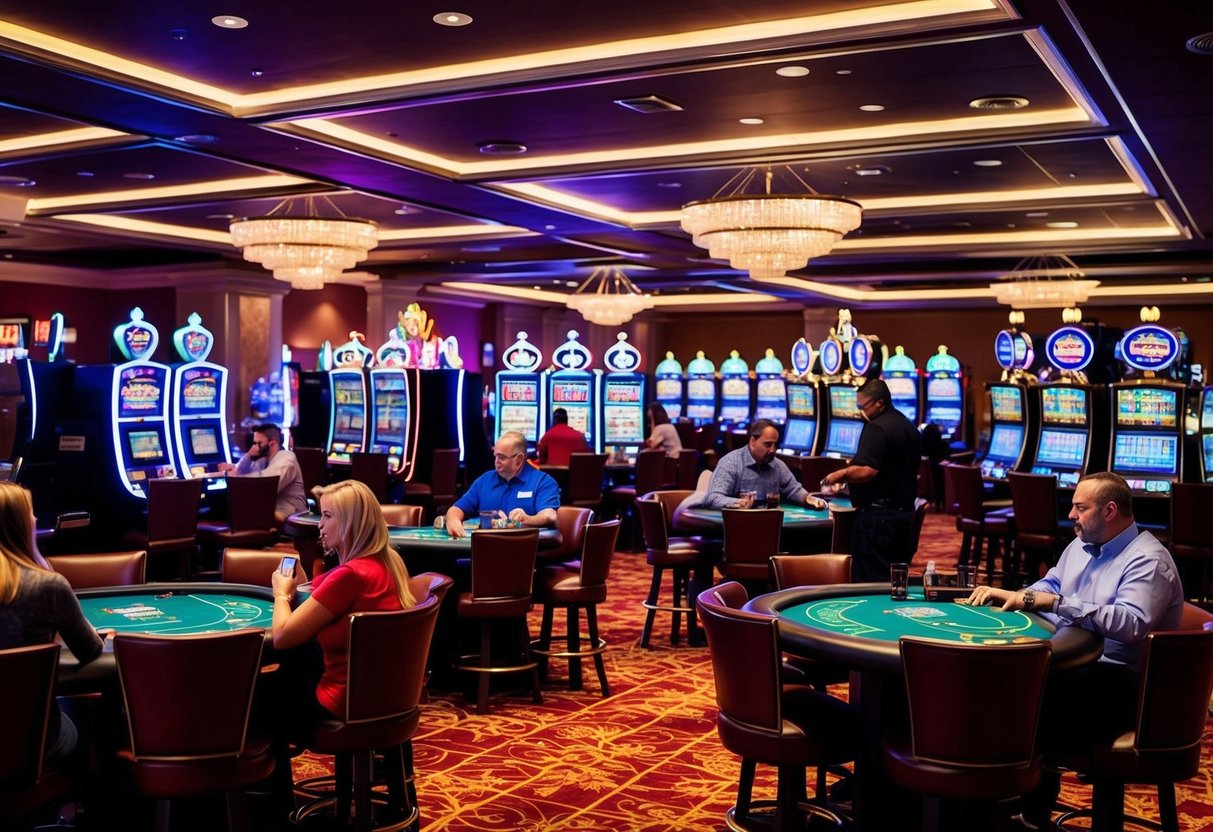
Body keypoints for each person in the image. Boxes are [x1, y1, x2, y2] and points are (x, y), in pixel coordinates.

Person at [964, 471, 1184, 830]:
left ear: (1110, 510)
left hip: (1126, 688)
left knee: (1020, 700)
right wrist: (1019, 595)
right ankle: (1010, 810)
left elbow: (1131, 624)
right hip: (1079, 670)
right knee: (1005, 688)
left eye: (1080, 508)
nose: (1070, 515)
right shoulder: (1080, 545)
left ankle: (1018, 815)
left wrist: (1058, 602)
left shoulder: (1147, 560)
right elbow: (1051, 583)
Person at [270, 479, 416, 719]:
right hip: (381, 693)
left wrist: (281, 595)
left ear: (350, 523)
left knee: (258, 695)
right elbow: (327, 584)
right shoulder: (388, 561)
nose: (320, 525)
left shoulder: (350, 576)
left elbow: (283, 636)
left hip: (341, 701)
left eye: (328, 516)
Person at [0, 482, 104, 761]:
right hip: (29, 745)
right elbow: (90, 649)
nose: (35, 518)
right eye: (31, 512)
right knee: (89, 716)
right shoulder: (48, 585)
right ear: (19, 523)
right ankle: (70, 802)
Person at [820, 378, 921, 583]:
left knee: (870, 581)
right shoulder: (909, 426)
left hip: (879, 517)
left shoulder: (876, 428)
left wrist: (840, 474)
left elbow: (868, 471)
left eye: (862, 406)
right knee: (896, 579)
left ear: (879, 403)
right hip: (904, 515)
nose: (860, 411)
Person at [445, 431, 561, 539]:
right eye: (495, 456)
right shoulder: (485, 480)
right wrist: (453, 520)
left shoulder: (543, 482)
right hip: (486, 548)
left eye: (501, 457)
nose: (496, 461)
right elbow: (457, 509)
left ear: (519, 460)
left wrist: (527, 519)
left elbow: (549, 515)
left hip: (526, 550)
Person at [703, 419, 825, 511]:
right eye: (767, 444)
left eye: (775, 445)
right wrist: (739, 503)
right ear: (752, 442)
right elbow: (713, 498)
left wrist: (808, 498)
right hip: (735, 528)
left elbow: (794, 489)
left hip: (769, 526)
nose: (772, 450)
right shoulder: (731, 463)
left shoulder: (777, 465)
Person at [218, 422, 309, 525]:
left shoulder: (287, 458)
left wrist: (235, 476)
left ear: (272, 443)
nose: (255, 447)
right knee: (220, 509)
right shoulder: (263, 460)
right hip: (270, 511)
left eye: (258, 443)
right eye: (254, 443)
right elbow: (240, 472)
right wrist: (249, 455)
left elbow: (266, 484)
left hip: (291, 515)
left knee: (230, 510)